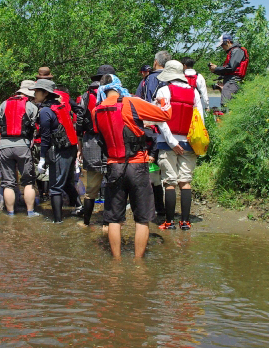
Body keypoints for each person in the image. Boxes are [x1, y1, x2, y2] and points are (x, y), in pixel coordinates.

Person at [93, 74, 171, 260]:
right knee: (142, 218)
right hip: (137, 166)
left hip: (113, 166)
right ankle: (138, 263)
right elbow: (165, 115)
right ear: (118, 85)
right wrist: (163, 98)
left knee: (113, 218)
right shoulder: (131, 102)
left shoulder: (97, 110)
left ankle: (117, 262)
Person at [153, 60, 205, 231]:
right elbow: (200, 120)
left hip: (168, 144)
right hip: (189, 143)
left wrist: (172, 142)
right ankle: (185, 222)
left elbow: (161, 118)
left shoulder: (163, 90)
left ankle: (169, 222)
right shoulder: (194, 92)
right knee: (185, 182)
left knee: (169, 182)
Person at [33, 78, 78, 223]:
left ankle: (57, 221)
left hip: (59, 151)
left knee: (55, 188)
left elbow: (45, 136)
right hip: (71, 148)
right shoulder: (61, 106)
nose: (34, 94)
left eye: (37, 91)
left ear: (45, 93)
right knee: (66, 182)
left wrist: (42, 158)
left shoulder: (46, 111)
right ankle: (79, 207)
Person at [0, 80, 39, 216]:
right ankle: (30, 212)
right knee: (28, 182)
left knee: (8, 183)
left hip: (5, 146)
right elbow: (36, 126)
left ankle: (11, 214)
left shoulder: (4, 104)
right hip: (23, 146)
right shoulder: (31, 106)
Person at [75, 65, 114, 227]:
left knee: (91, 188)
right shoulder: (116, 94)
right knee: (112, 184)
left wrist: (79, 147)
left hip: (91, 142)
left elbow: (79, 122)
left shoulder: (86, 96)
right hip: (112, 142)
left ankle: (86, 223)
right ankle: (108, 223)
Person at [209, 33, 249, 107]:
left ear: (228, 42)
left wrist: (216, 68)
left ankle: (225, 117)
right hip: (230, 80)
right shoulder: (233, 51)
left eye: (222, 45)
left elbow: (231, 67)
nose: (222, 47)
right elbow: (228, 70)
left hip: (232, 81)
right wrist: (215, 70)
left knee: (225, 104)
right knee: (226, 104)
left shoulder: (237, 51)